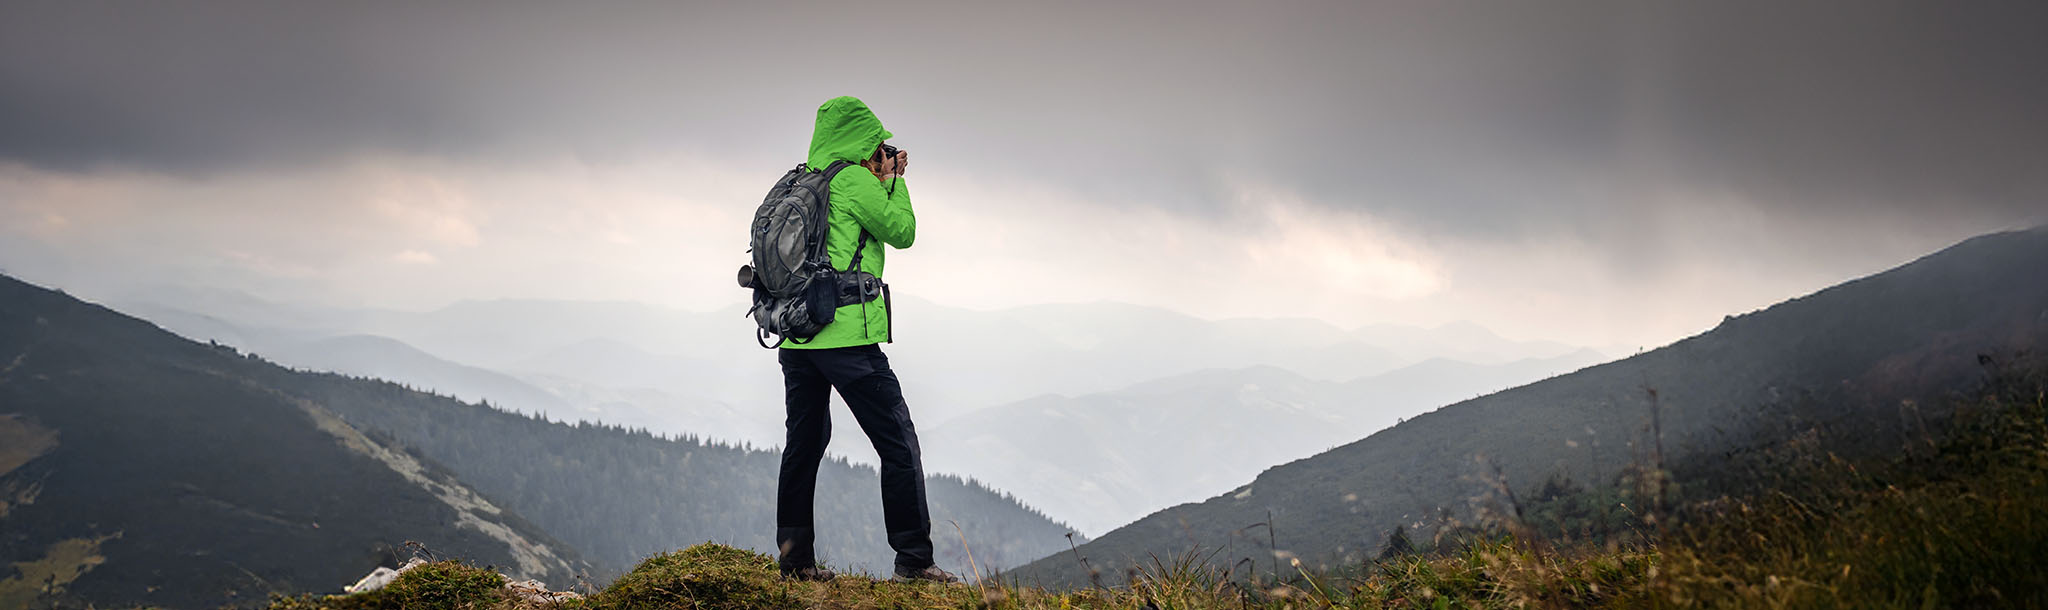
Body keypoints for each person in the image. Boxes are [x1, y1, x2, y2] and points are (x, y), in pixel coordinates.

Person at [773, 96, 957, 584]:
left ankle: (794, 560)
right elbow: (903, 231)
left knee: (804, 445)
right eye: (877, 146)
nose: (882, 154)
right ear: (860, 142)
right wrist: (895, 180)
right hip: (845, 337)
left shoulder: (802, 180)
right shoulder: (853, 180)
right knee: (898, 442)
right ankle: (914, 560)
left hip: (796, 336)